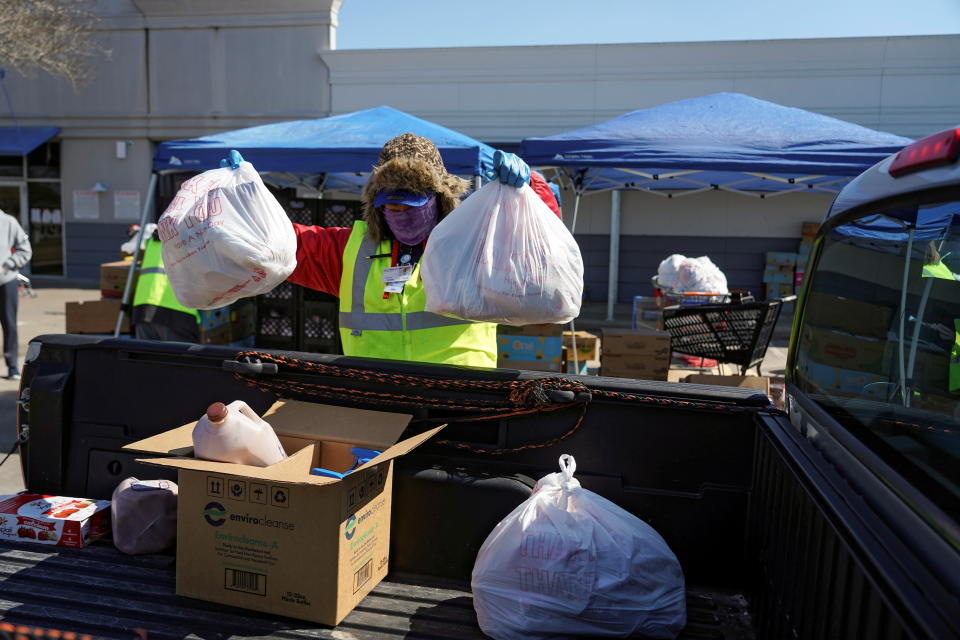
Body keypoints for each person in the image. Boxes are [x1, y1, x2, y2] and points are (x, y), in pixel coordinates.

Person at [222, 134, 560, 367]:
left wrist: (531, 189)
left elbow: (533, 249)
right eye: (390, 205)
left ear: (439, 199)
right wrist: (243, 199)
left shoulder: (474, 246)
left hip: (461, 401)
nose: (400, 214)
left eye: (412, 203)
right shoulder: (349, 249)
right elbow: (282, 242)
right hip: (377, 401)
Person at [132, 230, 200, 342]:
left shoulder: (152, 240)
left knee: (147, 358)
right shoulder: (191, 239)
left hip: (143, 311)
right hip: (177, 312)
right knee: (176, 358)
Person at [0, 209, 31, 379]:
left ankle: (12, 366)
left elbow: (25, 249)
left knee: (9, 323)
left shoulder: (8, 221)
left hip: (6, 281)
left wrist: (9, 264)